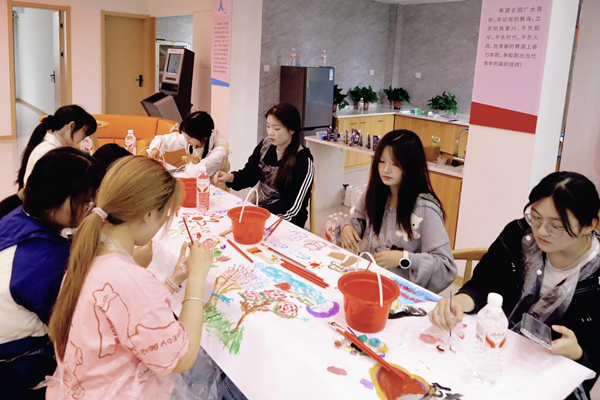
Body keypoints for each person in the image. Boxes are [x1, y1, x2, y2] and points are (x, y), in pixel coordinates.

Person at [46, 156, 213, 399]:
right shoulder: (131, 280)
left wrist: (173, 280)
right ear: (148, 214)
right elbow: (182, 358)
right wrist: (196, 279)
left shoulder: (88, 255)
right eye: (164, 217)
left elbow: (128, 314)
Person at [429, 171, 600, 398]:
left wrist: (577, 352)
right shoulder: (518, 235)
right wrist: (459, 302)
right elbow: (482, 285)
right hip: (497, 352)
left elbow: (594, 354)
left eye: (556, 226)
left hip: (551, 376)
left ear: (589, 225)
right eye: (535, 217)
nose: (541, 231)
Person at [0, 148, 98, 400]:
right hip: (15, 367)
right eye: (85, 203)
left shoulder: (16, 215)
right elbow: (71, 321)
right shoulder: (44, 260)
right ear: (58, 203)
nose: (89, 210)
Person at [336, 130, 456, 293]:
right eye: (382, 161)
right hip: (368, 280)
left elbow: (445, 266)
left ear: (411, 165)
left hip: (400, 293)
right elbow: (358, 220)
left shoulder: (424, 209)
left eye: (395, 164)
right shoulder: (375, 194)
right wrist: (347, 227)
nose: (386, 170)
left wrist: (404, 258)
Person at [216, 103, 314, 228]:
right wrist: (230, 177)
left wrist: (264, 217)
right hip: (258, 212)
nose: (270, 133)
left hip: (284, 221)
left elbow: (294, 207)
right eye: (268, 126)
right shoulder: (266, 146)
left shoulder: (303, 160)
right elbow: (250, 174)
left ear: (292, 130)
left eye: (276, 129)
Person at [18, 105, 97, 188]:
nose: (84, 137)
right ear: (71, 126)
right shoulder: (49, 152)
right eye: (84, 131)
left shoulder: (48, 145)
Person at [147, 111, 228, 177]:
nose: (186, 139)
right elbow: (163, 140)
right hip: (191, 179)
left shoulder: (219, 151)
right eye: (185, 136)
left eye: (189, 137)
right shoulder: (191, 139)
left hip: (212, 187)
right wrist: (155, 150)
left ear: (204, 137)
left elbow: (195, 173)